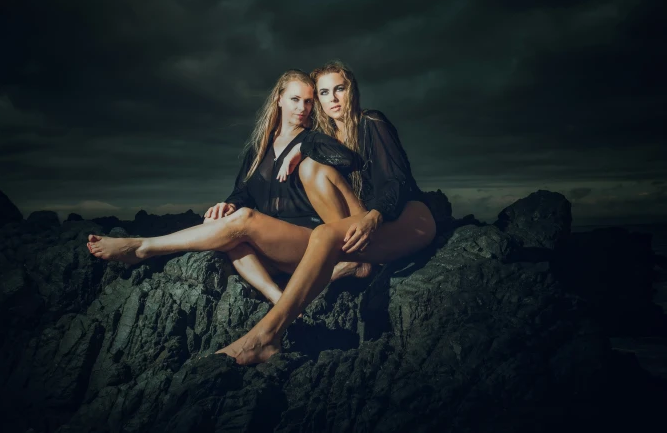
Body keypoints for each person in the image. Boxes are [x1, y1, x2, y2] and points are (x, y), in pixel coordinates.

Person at [217, 61, 437, 365]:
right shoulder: (323, 137)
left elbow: (396, 181)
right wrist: (301, 150)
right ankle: (351, 264)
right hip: (361, 221)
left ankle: (265, 337)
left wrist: (374, 217)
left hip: (407, 217)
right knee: (311, 182)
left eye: (339, 89)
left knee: (322, 235)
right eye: (324, 92)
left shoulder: (372, 122)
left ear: (352, 91)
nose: (333, 98)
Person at [87, 69, 365, 305]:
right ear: (279, 99)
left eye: (307, 102)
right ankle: (279, 298)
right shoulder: (260, 148)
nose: (302, 108)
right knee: (229, 229)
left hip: (308, 241)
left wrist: (303, 147)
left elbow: (349, 159)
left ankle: (143, 247)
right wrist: (229, 204)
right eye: (294, 100)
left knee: (244, 220)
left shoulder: (315, 140)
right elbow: (243, 193)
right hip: (274, 248)